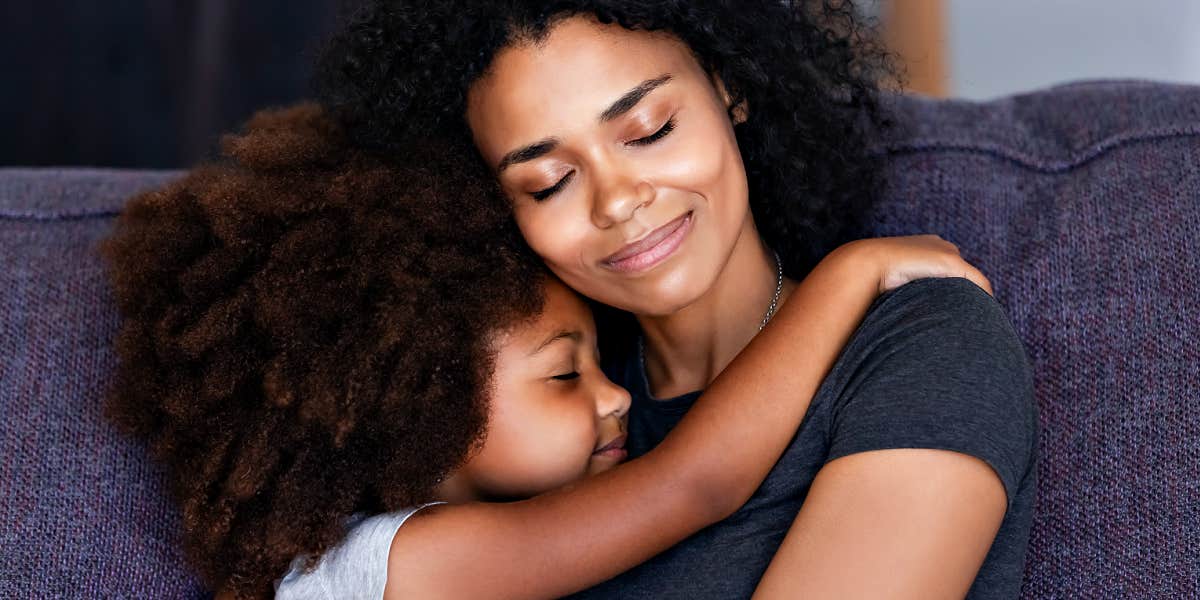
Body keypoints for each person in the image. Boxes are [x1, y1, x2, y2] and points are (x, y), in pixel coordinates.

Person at [101, 103, 992, 599]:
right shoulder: (399, 567)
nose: (616, 400)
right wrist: (849, 275)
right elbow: (696, 482)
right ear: (421, 408)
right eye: (566, 372)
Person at [315, 1, 1039, 598]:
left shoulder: (923, 343)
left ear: (728, 88)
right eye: (547, 182)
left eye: (650, 130)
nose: (618, 201)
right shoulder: (526, 408)